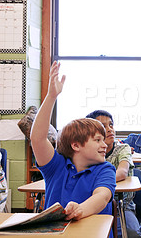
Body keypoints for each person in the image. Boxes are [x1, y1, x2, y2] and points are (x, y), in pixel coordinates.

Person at [30, 62, 116, 226]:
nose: (104, 145)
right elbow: (38, 138)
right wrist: (51, 96)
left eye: (103, 140)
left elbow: (102, 197)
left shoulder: (105, 169)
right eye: (97, 140)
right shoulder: (56, 167)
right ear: (76, 145)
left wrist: (80, 210)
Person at [86, 110, 141, 238]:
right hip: (92, 203)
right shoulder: (88, 151)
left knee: (131, 233)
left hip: (122, 206)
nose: (110, 129)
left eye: (111, 125)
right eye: (103, 126)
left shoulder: (122, 148)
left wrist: (98, 182)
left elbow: (122, 172)